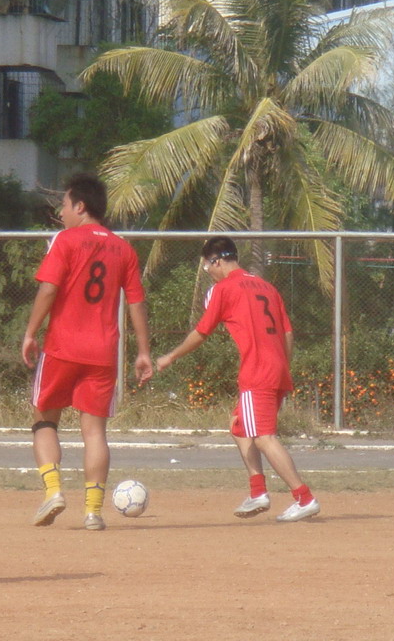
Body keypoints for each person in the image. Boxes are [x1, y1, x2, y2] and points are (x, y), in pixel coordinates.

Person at [155, 236, 320, 523]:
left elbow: (201, 332)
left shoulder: (225, 288)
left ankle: (304, 498)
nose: (209, 272)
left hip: (258, 371)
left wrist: (171, 356)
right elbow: (288, 332)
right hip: (277, 368)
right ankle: (258, 492)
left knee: (264, 438)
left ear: (216, 261)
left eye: (207, 267)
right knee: (239, 426)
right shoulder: (267, 287)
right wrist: (282, 365)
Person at [22, 172, 153, 531]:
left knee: (44, 420)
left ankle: (53, 491)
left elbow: (49, 289)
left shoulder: (65, 240)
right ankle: (93, 511)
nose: (61, 212)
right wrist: (143, 351)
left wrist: (30, 332)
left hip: (63, 346)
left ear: (80, 206)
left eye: (64, 205)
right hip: (103, 353)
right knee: (94, 433)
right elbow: (137, 302)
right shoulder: (123, 248)